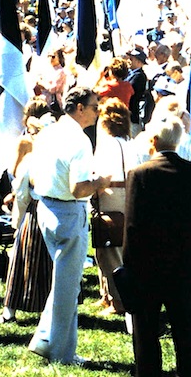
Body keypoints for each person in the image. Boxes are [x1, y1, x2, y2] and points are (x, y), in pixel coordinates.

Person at [27, 87, 112, 366]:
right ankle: (62, 352)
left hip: (45, 206)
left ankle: (45, 338)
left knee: (63, 282)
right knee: (67, 286)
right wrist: (101, 182)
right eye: (94, 106)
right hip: (68, 211)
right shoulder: (79, 140)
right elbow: (78, 189)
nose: (98, 112)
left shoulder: (48, 131)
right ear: (79, 109)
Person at [124, 116, 191, 377]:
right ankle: (188, 372)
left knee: (146, 331)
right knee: (184, 328)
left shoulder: (140, 174)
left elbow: (131, 226)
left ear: (153, 141)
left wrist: (128, 266)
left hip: (147, 265)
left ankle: (148, 372)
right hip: (184, 264)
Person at [0, 98, 54, 325]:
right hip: (48, 205)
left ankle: (11, 308)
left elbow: (15, 171)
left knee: (20, 256)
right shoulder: (55, 145)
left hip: (32, 206)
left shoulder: (27, 145)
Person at [92, 97, 132, 315]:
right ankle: (107, 295)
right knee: (114, 245)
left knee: (109, 248)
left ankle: (117, 301)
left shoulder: (107, 145)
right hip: (128, 194)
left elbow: (99, 175)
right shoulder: (130, 144)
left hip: (110, 195)